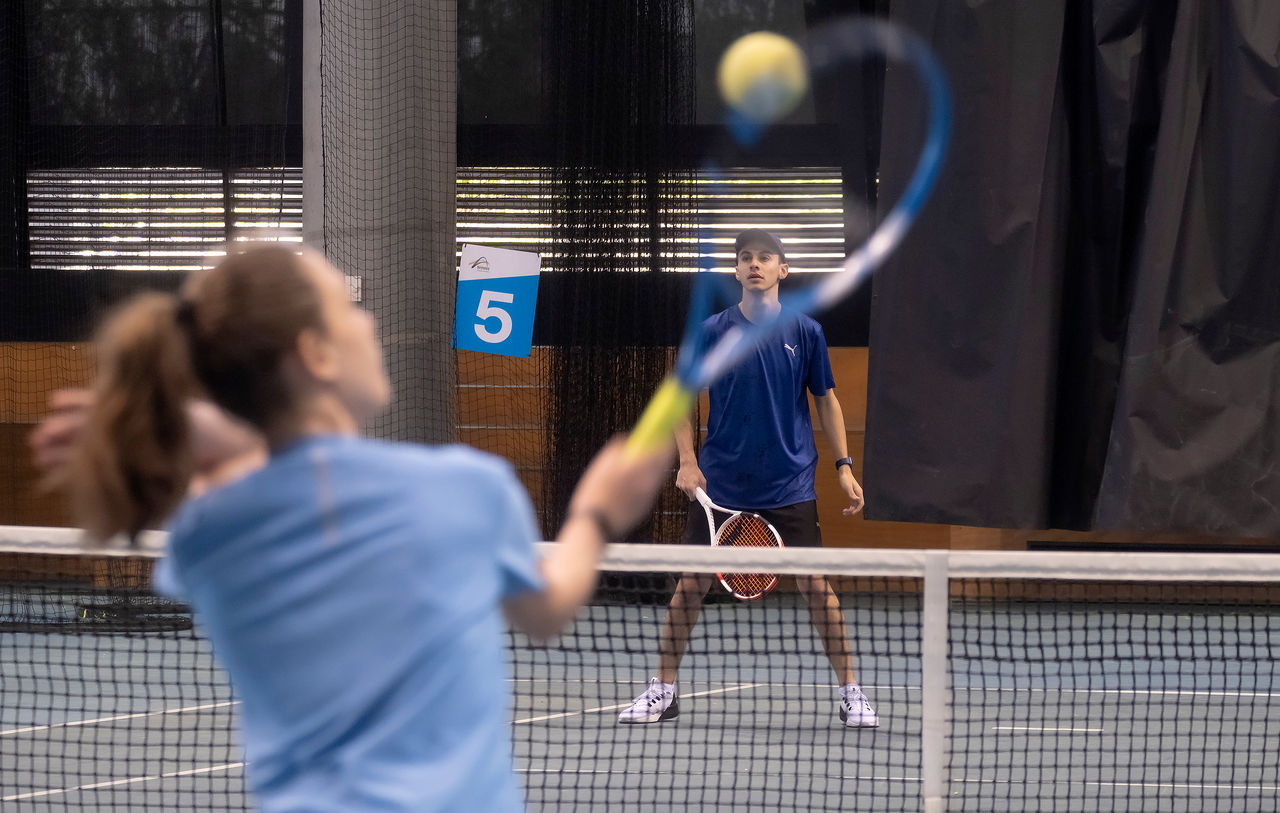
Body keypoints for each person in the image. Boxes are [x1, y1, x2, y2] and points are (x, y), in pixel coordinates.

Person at [32, 244, 671, 812]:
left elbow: (227, 451)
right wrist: (596, 512)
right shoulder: (465, 489)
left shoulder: (208, 529)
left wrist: (156, 423)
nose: (370, 322)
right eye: (351, 309)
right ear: (316, 353)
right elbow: (547, 612)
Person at [617, 229, 879, 728]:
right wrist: (687, 462)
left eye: (765, 257)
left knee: (815, 586)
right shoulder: (712, 331)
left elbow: (826, 400)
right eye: (746, 258)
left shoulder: (805, 333)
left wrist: (844, 466)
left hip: (789, 483)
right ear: (736, 271)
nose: (754, 264)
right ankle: (662, 691)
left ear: (783, 270)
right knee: (690, 585)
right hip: (721, 484)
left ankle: (852, 693)